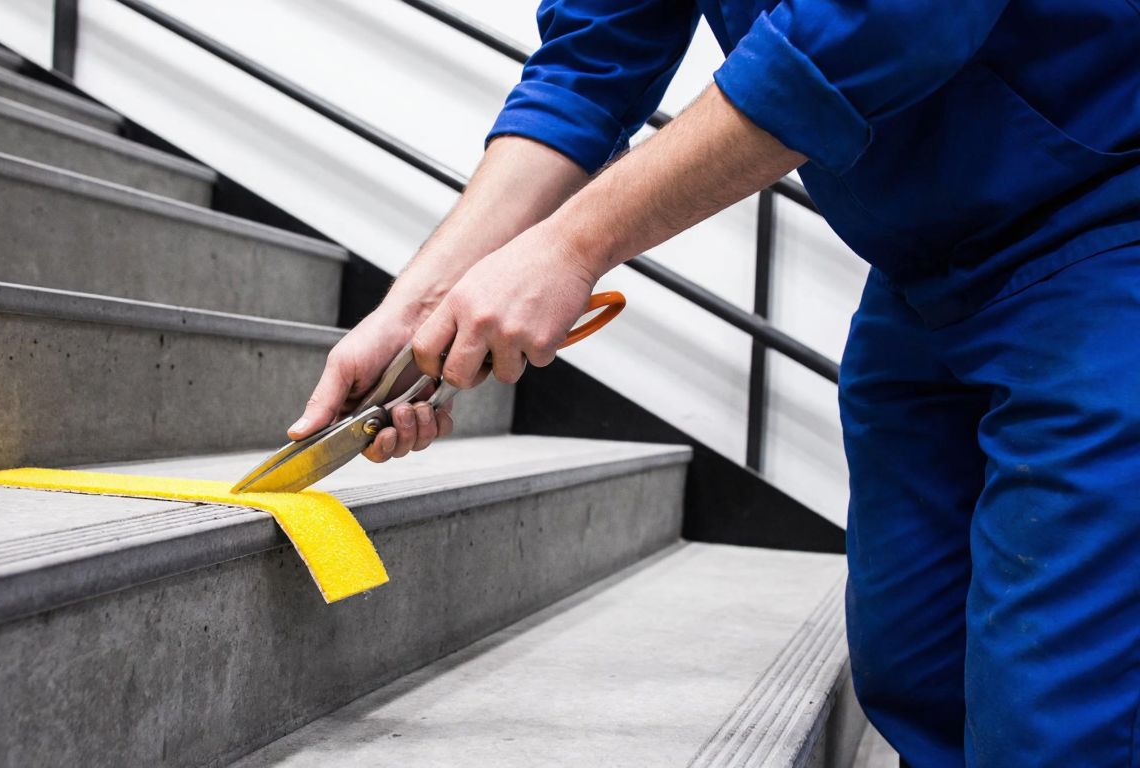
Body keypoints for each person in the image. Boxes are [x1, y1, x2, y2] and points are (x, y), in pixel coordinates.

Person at [287, 1, 1140, 765]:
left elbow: (885, 20)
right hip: (921, 271)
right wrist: (420, 300)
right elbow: (591, 63)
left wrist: (571, 246)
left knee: (1055, 712)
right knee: (912, 662)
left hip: (1106, 229)